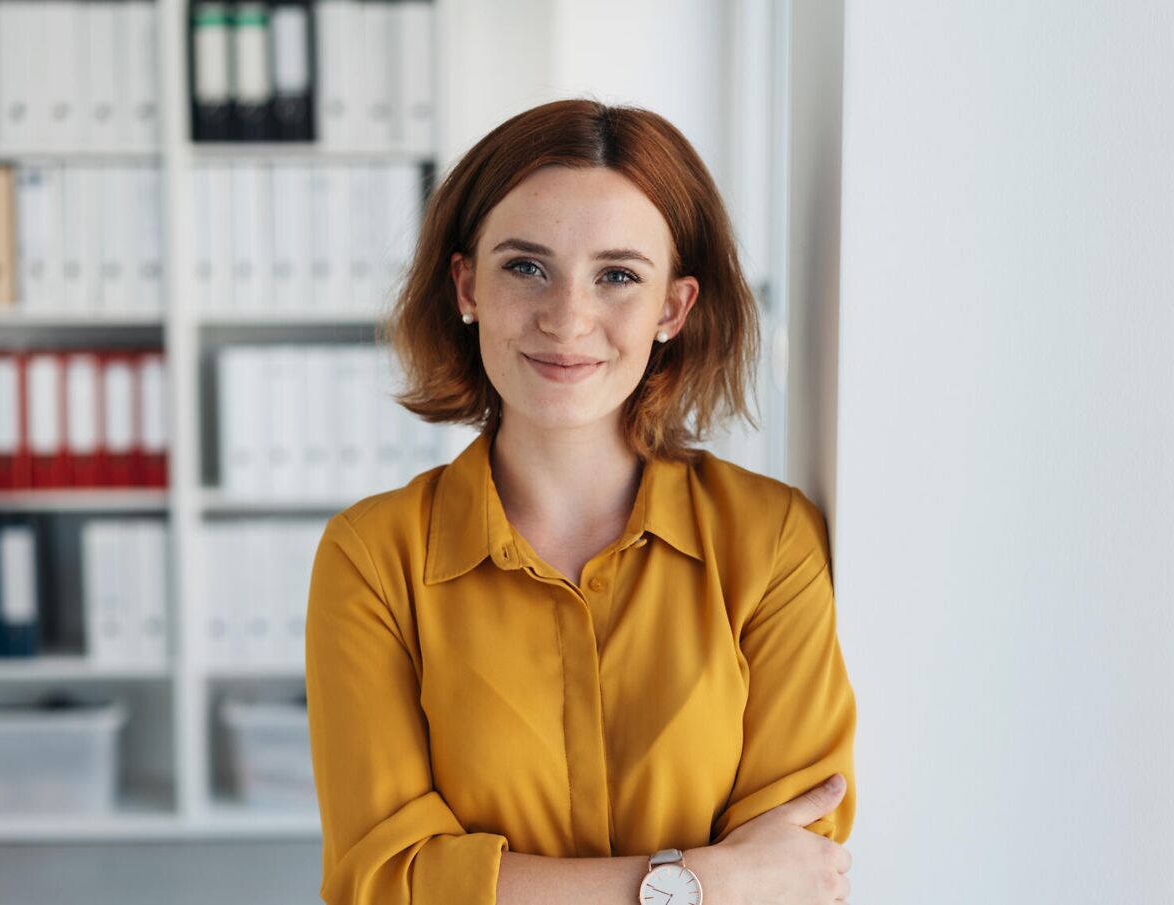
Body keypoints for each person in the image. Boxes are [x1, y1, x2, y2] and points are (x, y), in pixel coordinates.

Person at [304, 98, 856, 905]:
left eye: (618, 276)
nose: (567, 318)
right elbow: (382, 881)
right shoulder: (371, 557)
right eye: (526, 266)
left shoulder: (770, 541)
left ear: (674, 307)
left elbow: (796, 875)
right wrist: (690, 885)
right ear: (467, 287)